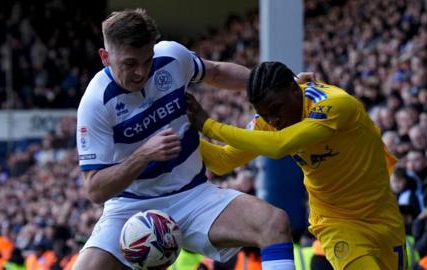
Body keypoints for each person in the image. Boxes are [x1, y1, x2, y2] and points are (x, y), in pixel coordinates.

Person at [74, 9, 299, 270]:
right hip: (131, 208)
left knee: (274, 223)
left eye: (147, 61)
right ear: (105, 57)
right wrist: (143, 155)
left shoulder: (171, 56)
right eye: (130, 64)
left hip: (194, 195)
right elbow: (94, 189)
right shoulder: (95, 103)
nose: (141, 72)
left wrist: (287, 85)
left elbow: (215, 72)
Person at [186, 61, 406, 269]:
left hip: (381, 213)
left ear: (294, 88)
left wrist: (209, 126)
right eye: (265, 114)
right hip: (336, 221)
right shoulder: (270, 120)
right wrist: (181, 133)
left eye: (276, 109)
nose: (273, 121)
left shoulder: (335, 104)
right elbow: (222, 162)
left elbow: (280, 145)